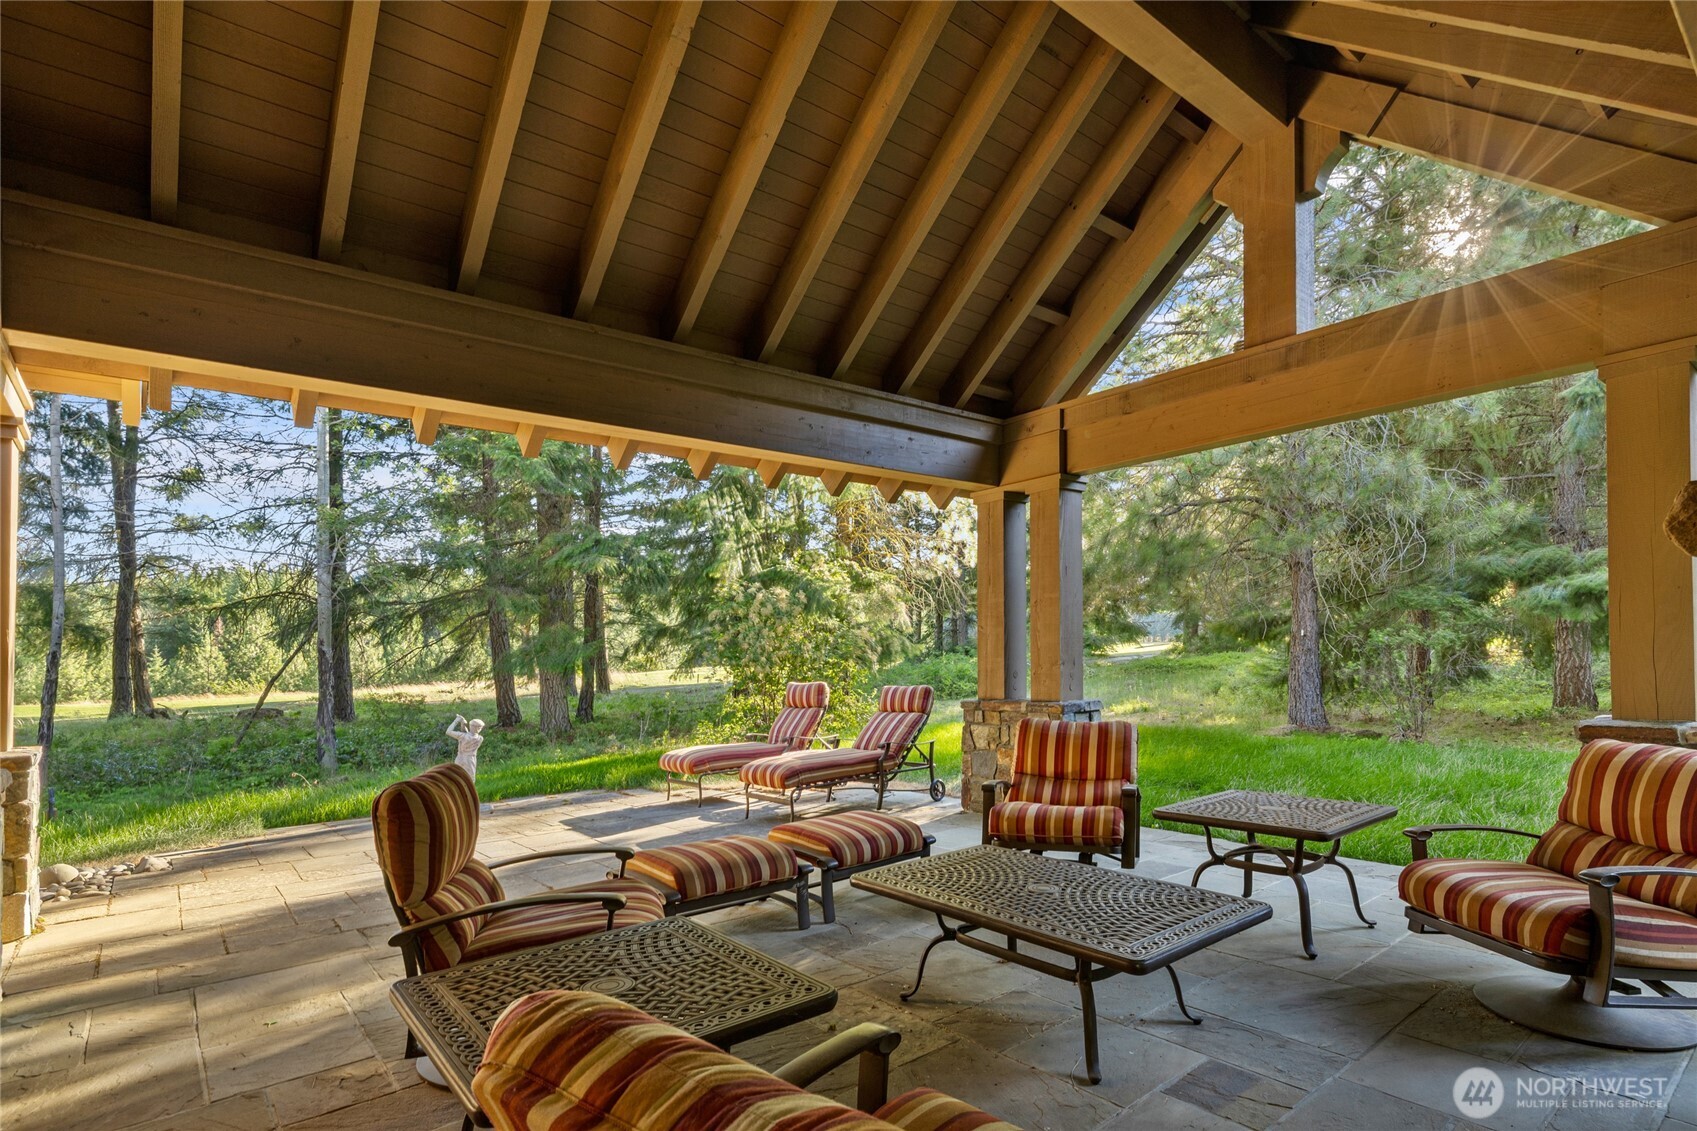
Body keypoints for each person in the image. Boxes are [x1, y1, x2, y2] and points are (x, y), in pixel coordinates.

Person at [446, 715, 485, 779]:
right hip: (470, 759)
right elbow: (467, 733)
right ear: (477, 728)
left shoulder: (462, 736)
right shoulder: (480, 738)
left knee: (457, 777)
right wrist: (463, 724)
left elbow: (448, 731)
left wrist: (456, 721)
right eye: (480, 728)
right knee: (470, 778)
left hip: (460, 758)